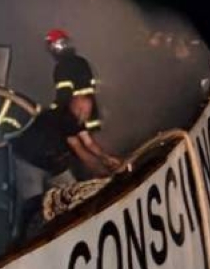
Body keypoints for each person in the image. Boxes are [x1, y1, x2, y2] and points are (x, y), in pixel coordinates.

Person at [12, 93, 126, 226]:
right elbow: (80, 150)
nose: (86, 114)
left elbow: (89, 143)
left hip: (53, 161)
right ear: (77, 108)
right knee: (33, 205)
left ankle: (76, 224)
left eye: (88, 111)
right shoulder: (65, 118)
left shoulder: (77, 119)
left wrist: (106, 158)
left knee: (72, 194)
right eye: (84, 110)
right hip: (30, 161)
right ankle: (28, 234)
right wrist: (104, 174)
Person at [44, 27, 102, 131]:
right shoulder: (82, 61)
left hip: (76, 112)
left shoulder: (62, 66)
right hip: (92, 109)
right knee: (97, 136)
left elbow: (64, 94)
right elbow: (92, 85)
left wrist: (53, 109)